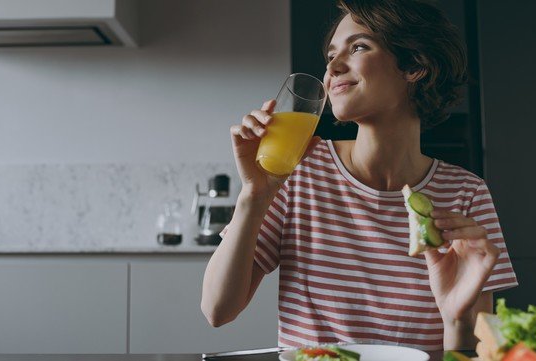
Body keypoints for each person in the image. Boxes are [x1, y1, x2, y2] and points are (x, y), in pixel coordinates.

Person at [201, 0, 517, 351]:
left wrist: (455, 320)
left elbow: (478, 353)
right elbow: (217, 310)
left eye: (359, 47)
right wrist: (254, 195)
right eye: (331, 55)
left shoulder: (467, 193)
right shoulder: (300, 169)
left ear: (414, 65)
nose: (333, 66)